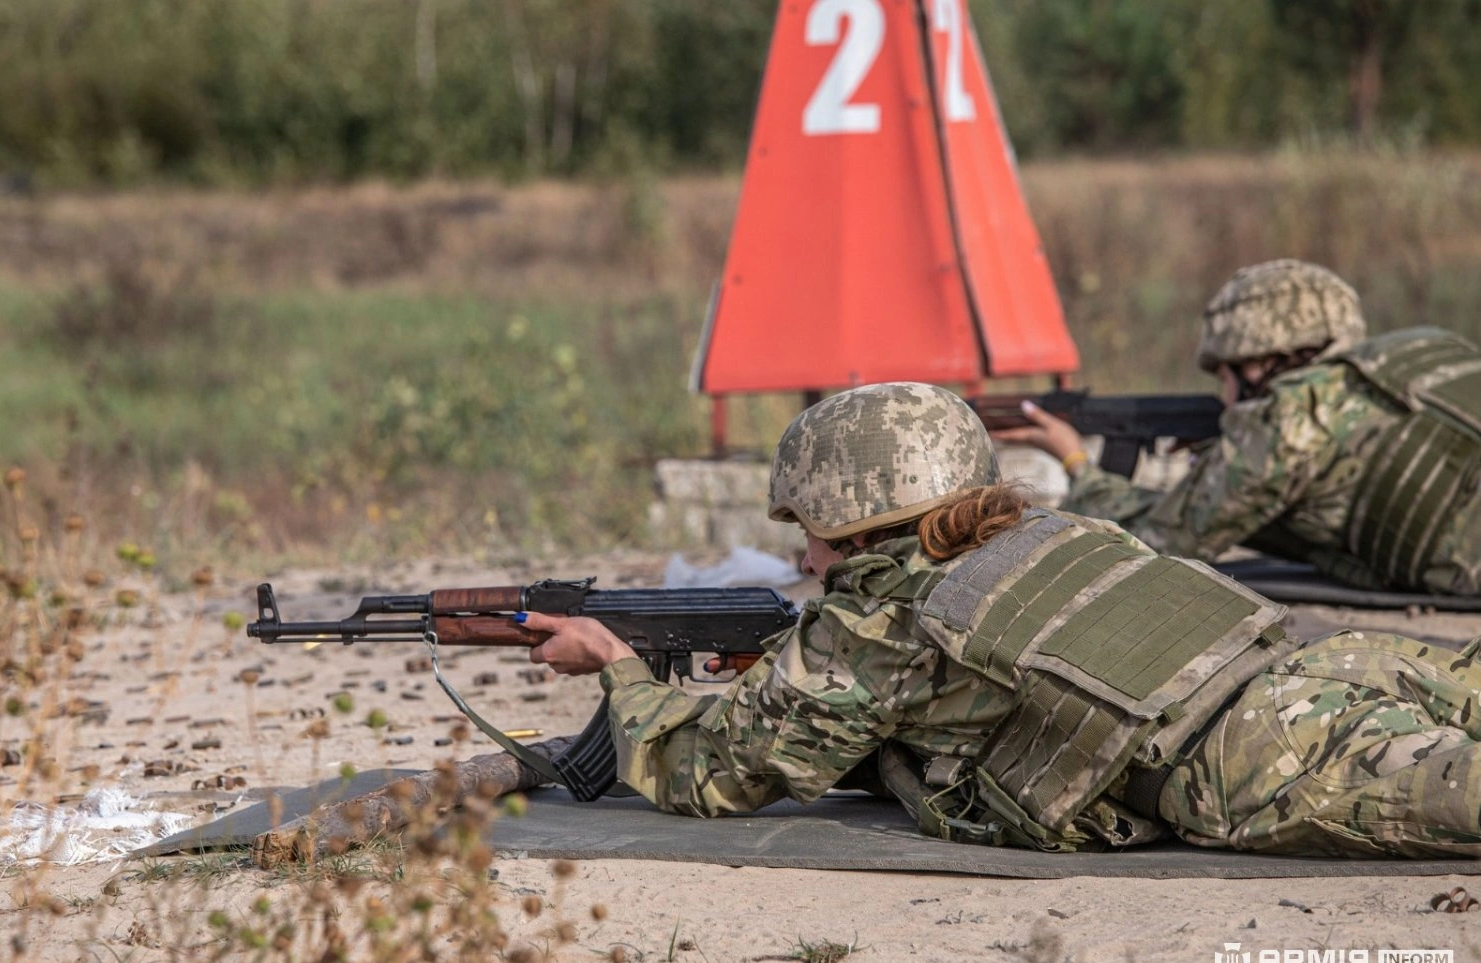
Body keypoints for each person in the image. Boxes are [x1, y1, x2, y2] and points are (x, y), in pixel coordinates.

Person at [517, 381, 1481, 858]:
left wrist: (617, 668)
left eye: (807, 530)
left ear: (851, 519)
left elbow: (712, 777)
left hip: (1261, 756)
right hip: (1335, 665)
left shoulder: (876, 624)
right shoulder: (1051, 527)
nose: (805, 559)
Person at [992, 259, 1481, 596]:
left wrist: (1075, 461)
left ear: (1256, 364)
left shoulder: (1294, 416)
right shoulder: (1426, 345)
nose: (1224, 394)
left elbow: (1158, 545)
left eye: (1223, 373)